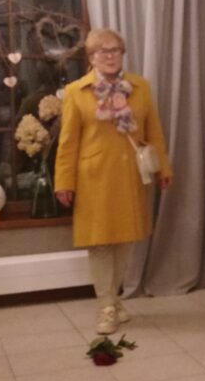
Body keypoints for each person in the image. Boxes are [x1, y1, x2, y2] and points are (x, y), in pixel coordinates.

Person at [54, 28, 172, 334]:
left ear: (122, 54)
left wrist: (163, 168)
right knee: (99, 243)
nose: (109, 56)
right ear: (91, 57)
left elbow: (154, 131)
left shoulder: (140, 88)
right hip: (93, 179)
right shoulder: (76, 91)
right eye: (102, 51)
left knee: (125, 240)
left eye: (115, 50)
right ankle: (106, 306)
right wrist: (64, 181)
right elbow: (67, 142)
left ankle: (114, 299)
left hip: (131, 175)